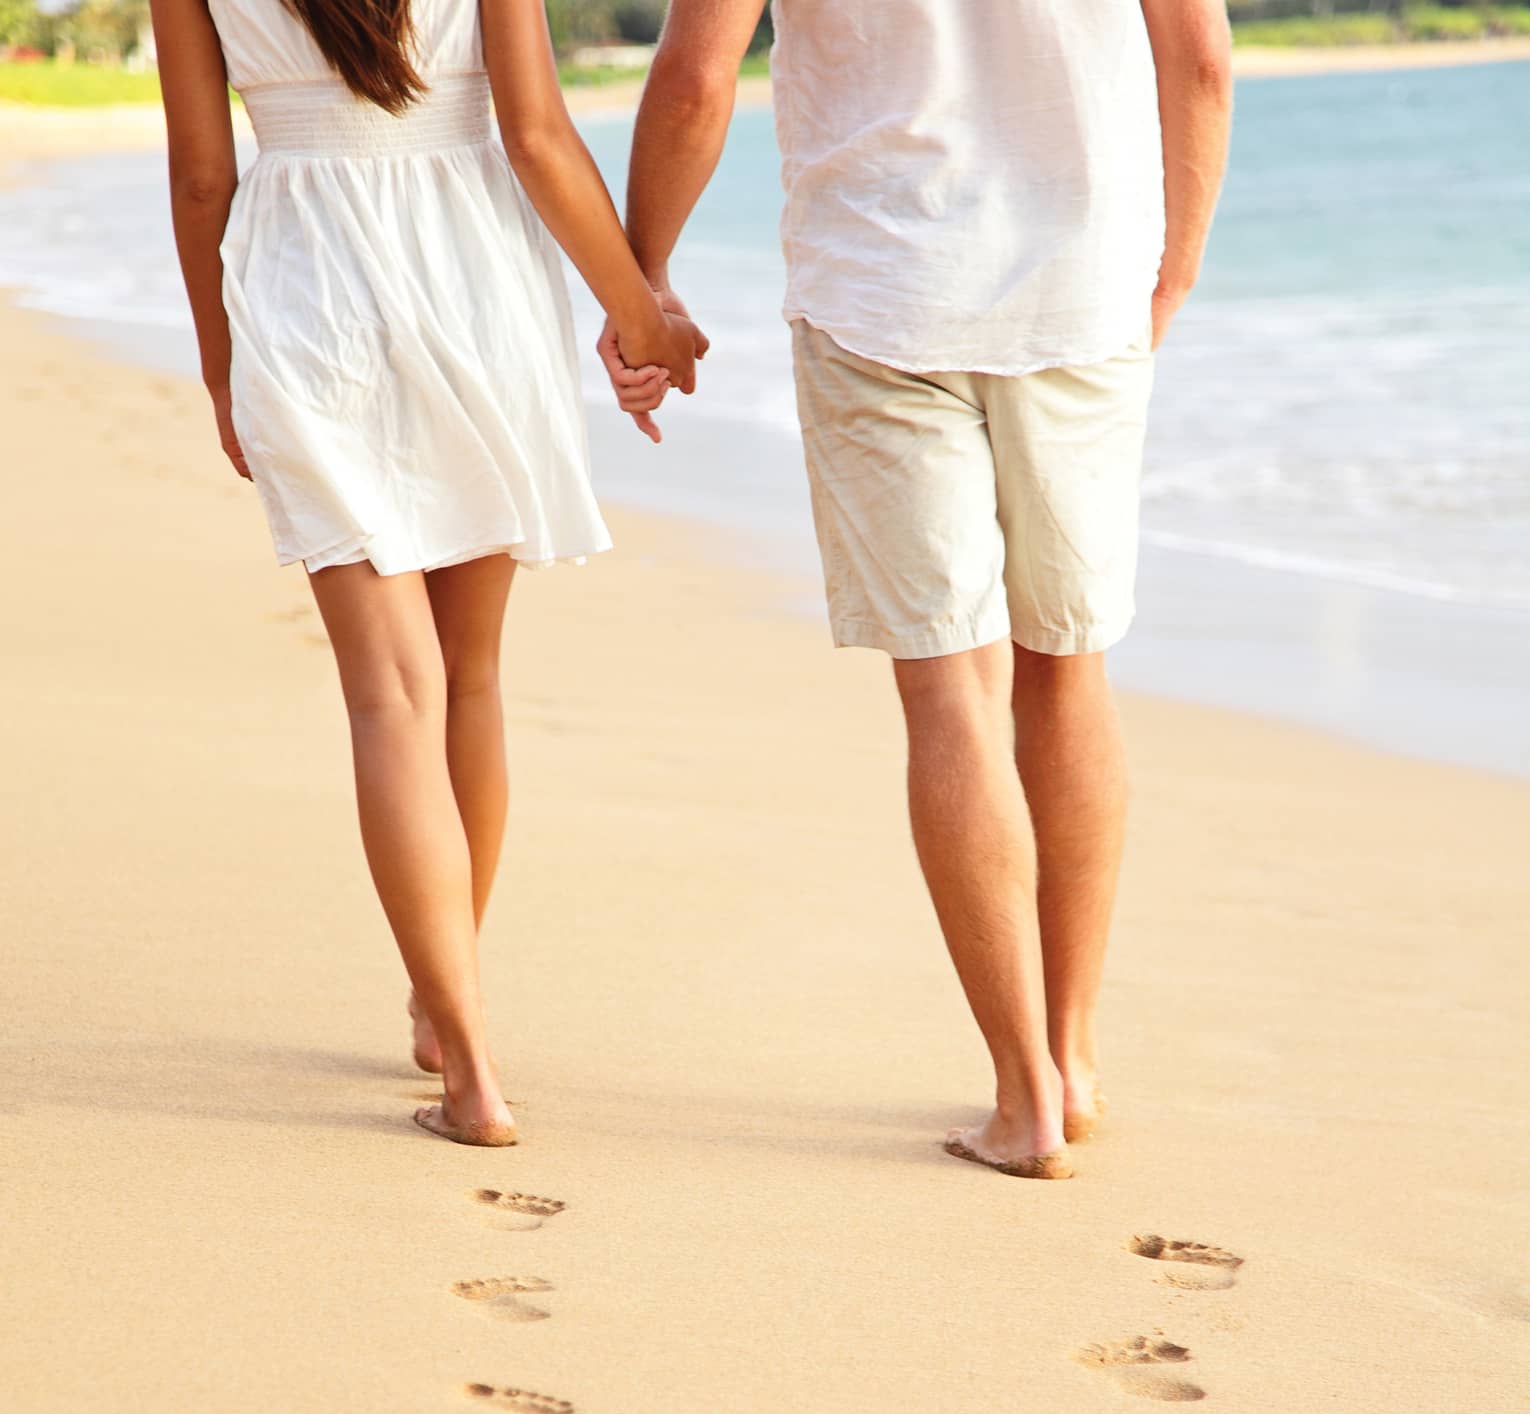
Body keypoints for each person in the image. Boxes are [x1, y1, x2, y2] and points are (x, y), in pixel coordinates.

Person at [601, 0, 1232, 1177]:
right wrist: (1176, 266)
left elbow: (694, 77)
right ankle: (1075, 1057)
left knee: (949, 691)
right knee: (1068, 664)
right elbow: (1197, 55)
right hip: (1082, 289)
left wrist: (645, 282)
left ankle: (1022, 1095)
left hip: (881, 291)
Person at [153, 0, 704, 1146]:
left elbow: (204, 178)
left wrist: (219, 365)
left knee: (389, 696)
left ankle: (470, 1064)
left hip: (307, 296)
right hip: (478, 285)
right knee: (468, 679)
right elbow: (539, 138)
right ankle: (444, 1017)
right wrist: (638, 314)